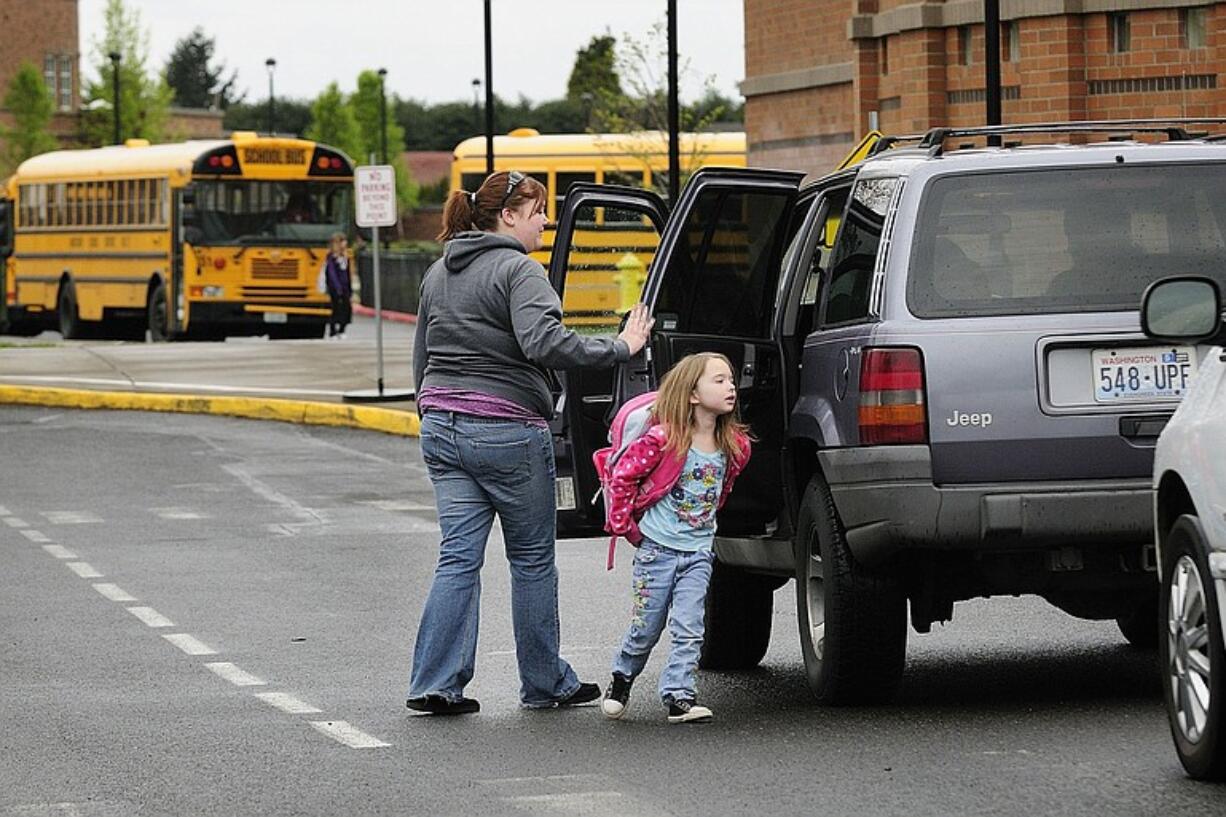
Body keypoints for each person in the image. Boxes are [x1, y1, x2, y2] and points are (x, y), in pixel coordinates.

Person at [407, 169, 654, 715]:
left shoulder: (437, 272)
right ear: (509, 216)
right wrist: (620, 347)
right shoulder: (519, 271)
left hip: (442, 428)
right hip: (506, 431)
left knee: (457, 559)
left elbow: (421, 358)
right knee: (532, 560)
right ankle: (545, 683)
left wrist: (429, 407)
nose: (545, 218)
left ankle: (435, 682)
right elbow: (545, 342)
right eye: (538, 209)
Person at [599, 352, 752, 724]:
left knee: (690, 626)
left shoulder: (734, 445)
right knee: (646, 627)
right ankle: (622, 678)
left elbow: (722, 490)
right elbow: (622, 477)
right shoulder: (663, 438)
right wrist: (625, 527)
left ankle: (678, 696)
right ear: (692, 394)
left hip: (698, 552)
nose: (730, 386)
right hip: (657, 551)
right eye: (718, 380)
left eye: (730, 379)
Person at [319, 233, 353, 338]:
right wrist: (337, 287)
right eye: (343, 241)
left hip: (345, 287)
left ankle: (342, 329)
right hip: (336, 288)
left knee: (347, 309)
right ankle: (333, 331)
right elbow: (332, 273)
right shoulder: (331, 258)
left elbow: (348, 273)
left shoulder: (346, 256)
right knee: (336, 308)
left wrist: (349, 288)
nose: (345, 243)